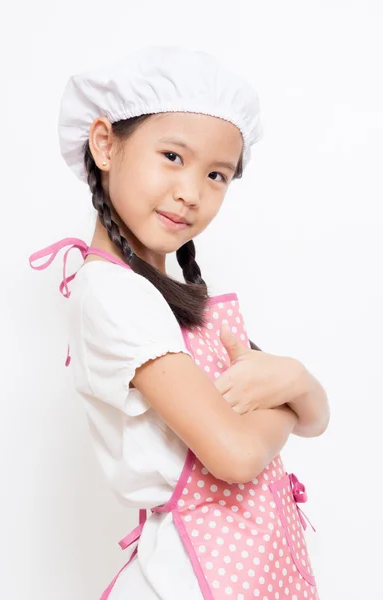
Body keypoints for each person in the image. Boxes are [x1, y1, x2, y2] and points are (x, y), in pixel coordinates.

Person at [29, 45, 329, 600]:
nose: (191, 192)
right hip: (188, 580)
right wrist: (286, 393)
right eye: (172, 156)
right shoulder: (114, 295)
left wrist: (298, 383)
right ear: (104, 144)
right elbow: (236, 457)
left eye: (216, 174)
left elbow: (316, 418)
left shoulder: (163, 296)